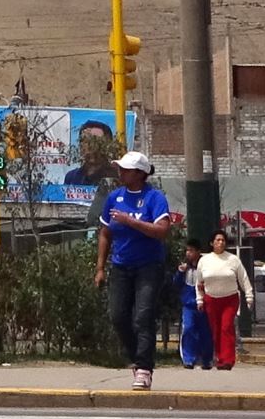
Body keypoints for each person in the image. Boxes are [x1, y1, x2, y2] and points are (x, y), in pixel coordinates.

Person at [90, 151, 172, 390]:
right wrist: (100, 268)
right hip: (121, 266)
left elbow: (162, 230)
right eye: (120, 168)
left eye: (125, 169)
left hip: (149, 266)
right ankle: (136, 357)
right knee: (118, 316)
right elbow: (105, 233)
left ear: (140, 173)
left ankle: (144, 368)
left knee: (143, 317)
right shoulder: (114, 198)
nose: (120, 173)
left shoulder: (154, 198)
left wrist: (131, 221)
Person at [196, 231, 254, 370]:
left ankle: (228, 360)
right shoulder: (204, 260)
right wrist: (199, 299)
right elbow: (199, 282)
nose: (220, 242)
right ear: (212, 243)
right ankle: (219, 358)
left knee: (226, 327)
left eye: (223, 240)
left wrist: (249, 295)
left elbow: (243, 278)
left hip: (230, 299)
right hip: (211, 299)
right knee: (215, 330)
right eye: (217, 240)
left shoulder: (233, 259)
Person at [174, 239, 212, 369]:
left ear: (198, 252)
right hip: (188, 305)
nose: (188, 253)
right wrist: (180, 272)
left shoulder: (206, 267)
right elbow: (176, 285)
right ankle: (188, 359)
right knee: (188, 329)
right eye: (187, 250)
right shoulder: (185, 268)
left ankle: (206, 359)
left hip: (204, 305)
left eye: (191, 250)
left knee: (205, 333)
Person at [63, 121, 115, 186]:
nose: (89, 145)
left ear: (107, 146)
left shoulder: (117, 177)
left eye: (95, 140)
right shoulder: (71, 178)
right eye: (84, 140)